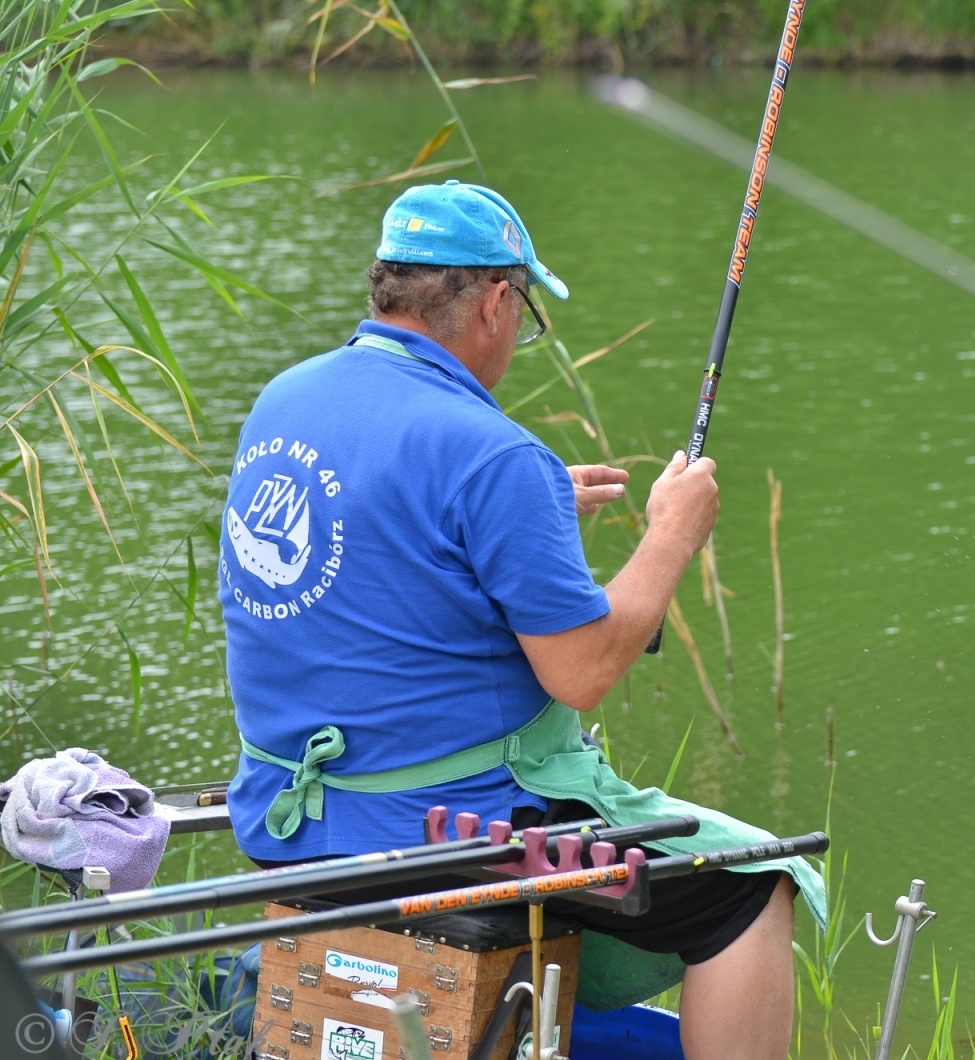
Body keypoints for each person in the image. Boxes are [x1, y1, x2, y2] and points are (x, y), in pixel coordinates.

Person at [219, 180, 822, 1059]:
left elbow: (377, 544)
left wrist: (521, 518)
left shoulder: (286, 400)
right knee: (751, 881)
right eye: (527, 309)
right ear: (495, 301)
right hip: (448, 837)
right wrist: (671, 534)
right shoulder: (490, 452)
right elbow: (583, 671)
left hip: (288, 821)